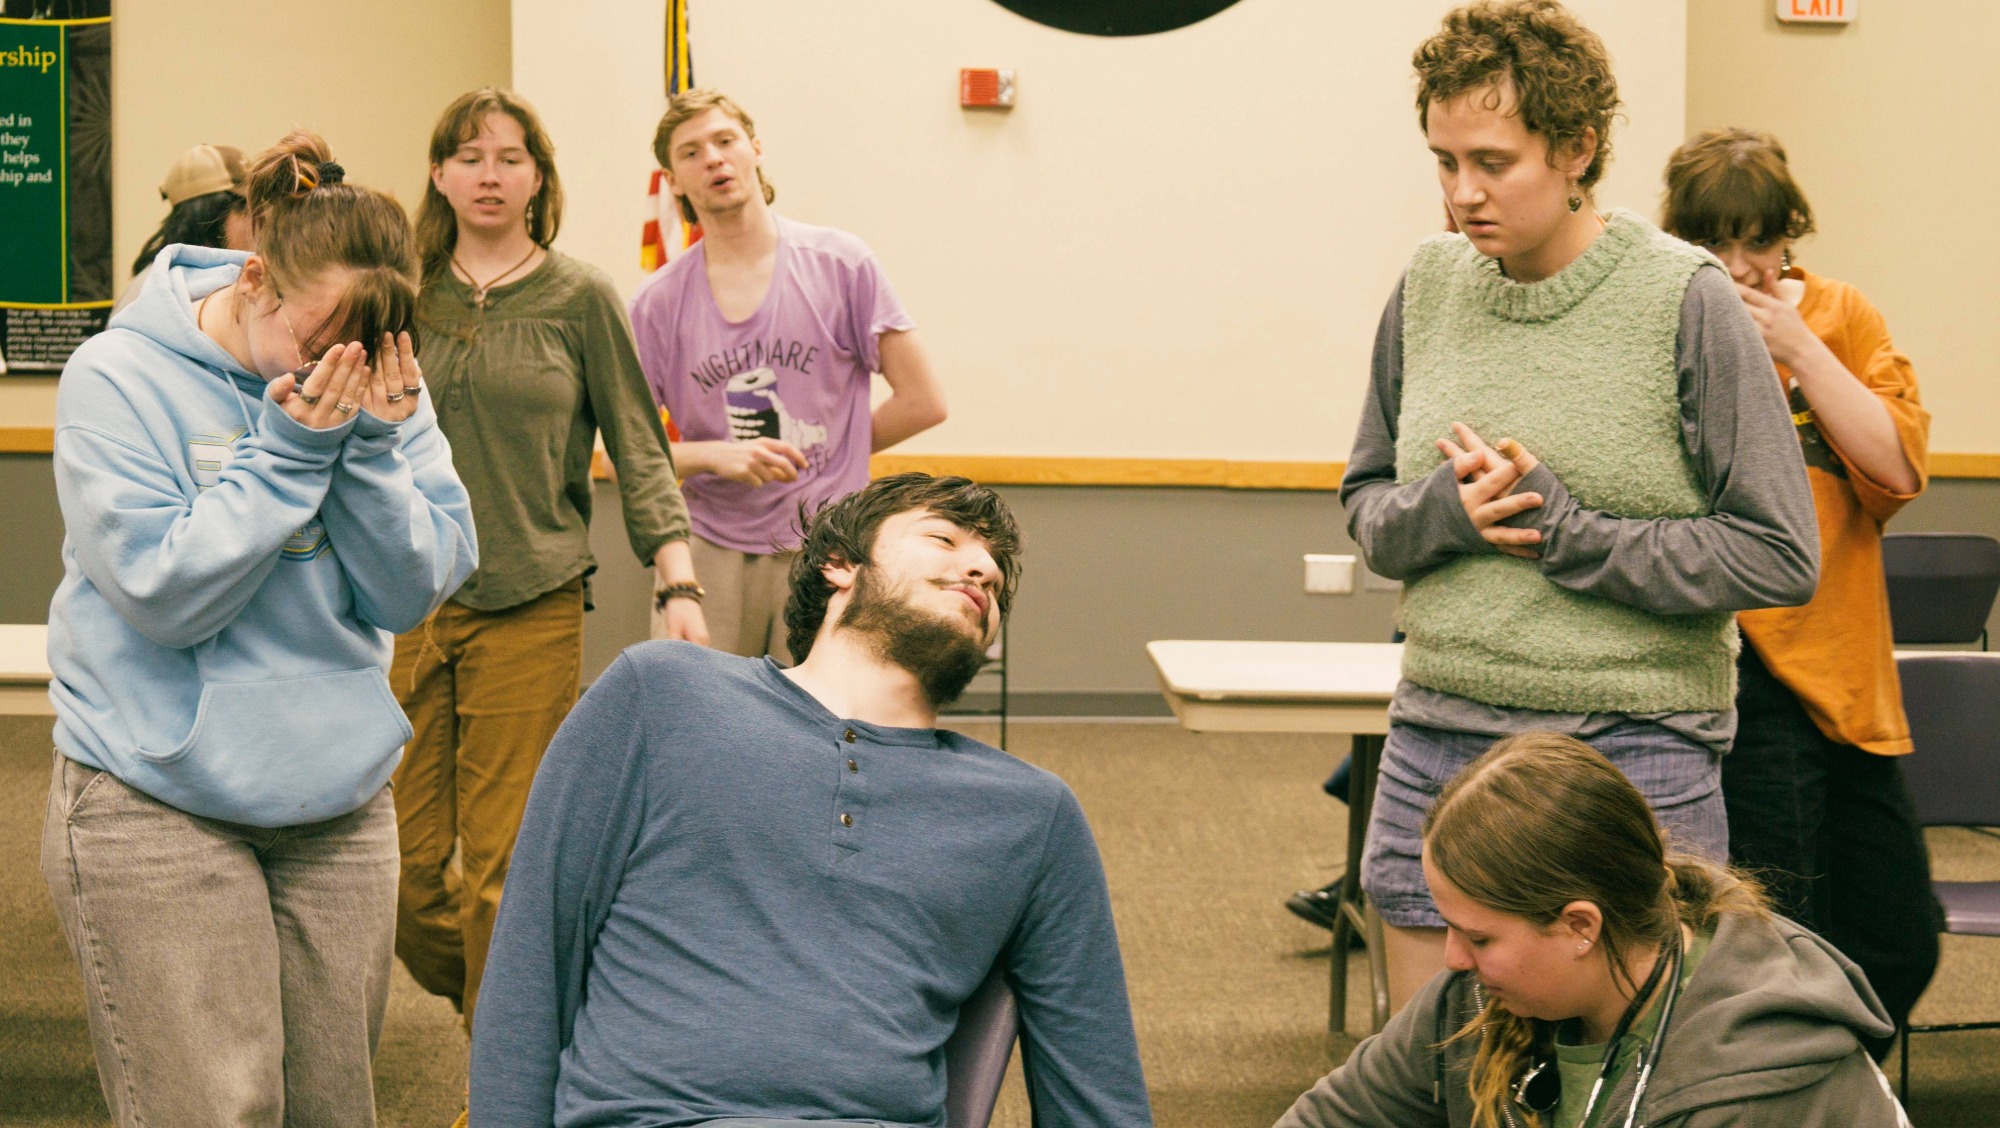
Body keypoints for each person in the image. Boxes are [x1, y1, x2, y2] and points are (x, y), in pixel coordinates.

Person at [1340, 0, 1820, 1012]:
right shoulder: (1426, 284)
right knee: (1436, 1073)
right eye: (1441, 161)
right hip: (1440, 728)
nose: (1459, 195)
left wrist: (1570, 534)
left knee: (1627, 1082)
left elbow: (1776, 556)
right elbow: (1367, 509)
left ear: (1574, 150)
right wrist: (1445, 511)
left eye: (1490, 161)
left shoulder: (1682, 299)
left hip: (1633, 738)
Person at [470, 473, 1152, 1128]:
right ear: (839, 565)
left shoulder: (1031, 813)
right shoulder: (663, 694)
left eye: (995, 572)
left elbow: (1097, 1089)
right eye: (945, 540)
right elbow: (535, 956)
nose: (981, 569)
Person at [40, 130, 476, 1128]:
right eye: (319, 341)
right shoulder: (117, 376)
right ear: (255, 281)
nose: (341, 366)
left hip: (336, 802)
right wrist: (286, 456)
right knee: (216, 1109)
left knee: (333, 1108)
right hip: (157, 797)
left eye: (364, 346)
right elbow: (167, 595)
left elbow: (409, 592)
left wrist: (366, 447)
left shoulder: (376, 374)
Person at [390, 87, 707, 1043]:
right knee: (400, 872)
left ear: (539, 178)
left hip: (531, 600)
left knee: (500, 868)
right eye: (471, 155)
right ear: (440, 174)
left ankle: (505, 1083)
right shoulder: (400, 294)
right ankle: (522, 1010)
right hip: (402, 598)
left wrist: (678, 576)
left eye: (511, 156)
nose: (491, 173)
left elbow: (640, 447)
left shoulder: (580, 297)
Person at [1661, 127, 1940, 1055]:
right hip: (1744, 672)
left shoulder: (1843, 314)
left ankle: (1834, 1091)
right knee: (1788, 934)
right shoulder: (1665, 318)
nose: (1738, 266)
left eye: (1759, 242)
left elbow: (1895, 473)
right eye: (1712, 245)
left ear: (1790, 235)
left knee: (1900, 933)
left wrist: (1797, 348)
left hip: (1847, 677)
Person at [1275, 733, 1910, 1128]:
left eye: (1480, 937)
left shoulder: (1748, 1090)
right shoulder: (1471, 1005)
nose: (1454, 959)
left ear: (1580, 925)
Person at [631, 88, 949, 661]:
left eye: (725, 141)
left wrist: (833, 451)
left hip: (830, 545)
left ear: (754, 148)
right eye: (691, 152)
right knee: (705, 730)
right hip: (710, 549)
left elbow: (924, 400)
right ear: (673, 180)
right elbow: (625, 452)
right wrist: (714, 455)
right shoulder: (656, 302)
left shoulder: (841, 264)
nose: (714, 159)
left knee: (825, 731)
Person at [114, 143, 255, 313]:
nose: (257, 221)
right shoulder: (164, 288)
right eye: (244, 208)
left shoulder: (224, 277)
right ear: (206, 216)